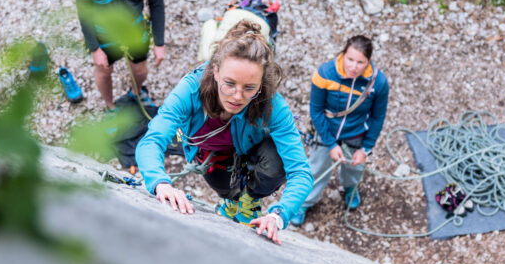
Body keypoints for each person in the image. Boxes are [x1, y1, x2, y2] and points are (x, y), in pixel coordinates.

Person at [136, 20, 313, 244]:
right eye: (229, 83)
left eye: (249, 88)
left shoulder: (272, 105)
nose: (237, 96)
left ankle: (250, 200)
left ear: (260, 84)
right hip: (213, 157)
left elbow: (300, 171)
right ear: (216, 72)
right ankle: (232, 202)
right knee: (227, 191)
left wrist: (279, 215)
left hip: (252, 151)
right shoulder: (191, 89)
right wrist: (160, 182)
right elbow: (153, 139)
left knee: (277, 161)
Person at [291, 35, 389, 226]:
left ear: (368, 62)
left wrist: (366, 148)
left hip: (356, 133)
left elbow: (377, 117)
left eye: (360, 62)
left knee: (354, 167)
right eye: (350, 59)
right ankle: (306, 202)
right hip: (327, 129)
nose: (353, 67)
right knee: (317, 168)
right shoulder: (325, 73)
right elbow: (316, 110)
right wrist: (330, 143)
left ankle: (350, 187)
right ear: (343, 54)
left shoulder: (378, 83)